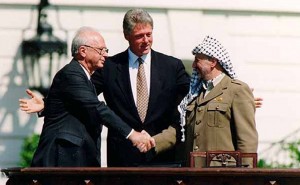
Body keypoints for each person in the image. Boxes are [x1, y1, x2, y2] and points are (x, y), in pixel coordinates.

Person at [20, 9, 263, 167]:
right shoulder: (110, 66)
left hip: (163, 158)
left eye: (149, 34)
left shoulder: (172, 66)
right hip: (122, 160)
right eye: (139, 36)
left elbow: (196, 94)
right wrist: (47, 103)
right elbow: (83, 97)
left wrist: (235, 97)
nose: (146, 40)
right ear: (127, 36)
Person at [21, 26, 153, 167]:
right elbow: (96, 108)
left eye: (106, 50)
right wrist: (132, 134)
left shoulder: (84, 77)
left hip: (77, 160)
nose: (106, 55)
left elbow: (72, 102)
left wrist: (47, 104)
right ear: (83, 51)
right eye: (101, 50)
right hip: (61, 161)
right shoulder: (71, 74)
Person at [146, 35, 258, 167]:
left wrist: (246, 175)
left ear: (213, 62)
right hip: (193, 174)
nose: (193, 65)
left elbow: (247, 140)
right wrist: (152, 141)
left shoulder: (237, 90)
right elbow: (180, 129)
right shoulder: (195, 93)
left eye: (197, 60)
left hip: (223, 175)